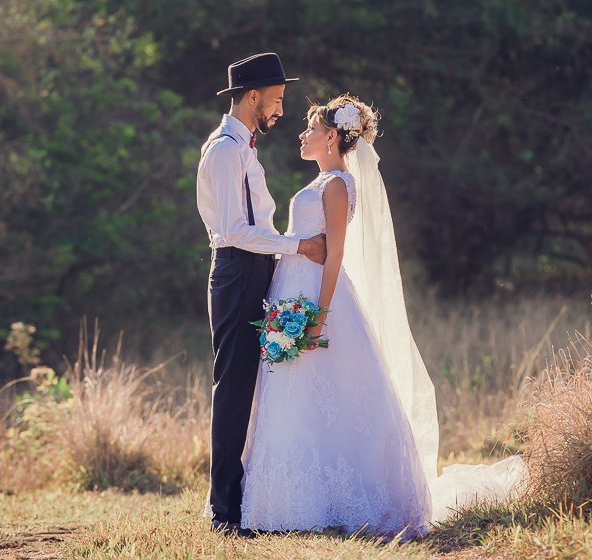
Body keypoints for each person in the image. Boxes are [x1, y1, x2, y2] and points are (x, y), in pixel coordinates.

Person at [237, 94, 531, 539]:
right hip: (291, 292)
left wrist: (317, 315)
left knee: (320, 392)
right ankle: (290, 497)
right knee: (294, 391)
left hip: (314, 296)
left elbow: (334, 257)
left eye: (311, 129)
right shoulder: (323, 182)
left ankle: (331, 499)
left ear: (332, 137)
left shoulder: (336, 185)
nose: (302, 134)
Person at [197, 53, 327, 537]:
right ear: (251, 97)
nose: (278, 110)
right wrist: (301, 247)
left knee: (253, 386)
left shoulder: (244, 147)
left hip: (255, 270)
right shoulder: (227, 150)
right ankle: (224, 512)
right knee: (232, 389)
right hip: (236, 272)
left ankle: (245, 499)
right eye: (275, 101)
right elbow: (235, 230)